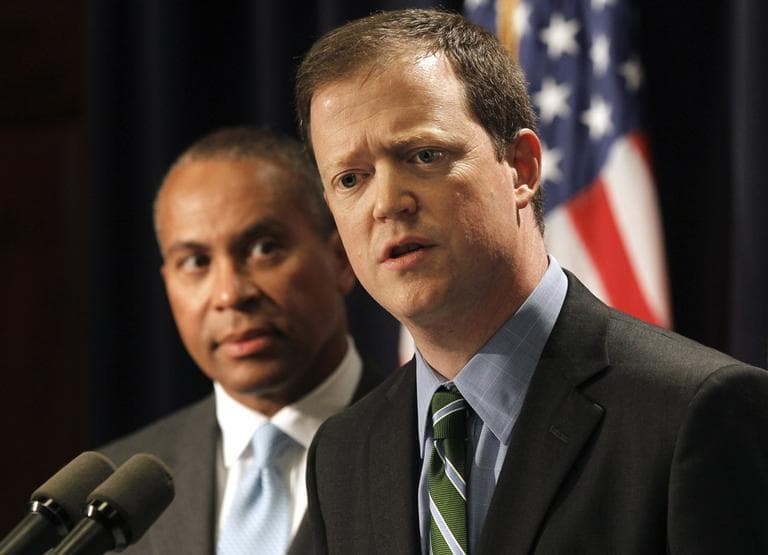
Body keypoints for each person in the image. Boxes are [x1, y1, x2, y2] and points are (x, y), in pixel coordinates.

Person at [295, 8, 768, 554]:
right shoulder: (344, 452)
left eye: (424, 155)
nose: (387, 203)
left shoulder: (694, 413)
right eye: (350, 179)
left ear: (521, 167)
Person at [101, 126, 383, 554]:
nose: (230, 295)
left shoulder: (430, 448)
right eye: (195, 262)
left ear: (341, 259)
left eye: (264, 248)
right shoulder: (114, 497)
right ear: (167, 284)